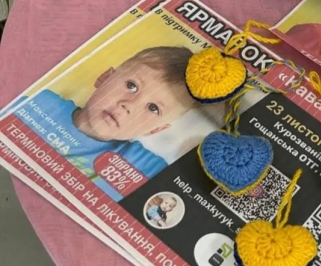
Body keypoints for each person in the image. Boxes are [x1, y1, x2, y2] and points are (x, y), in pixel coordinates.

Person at [17, 46, 196, 190]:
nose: (128, 105)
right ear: (104, 78)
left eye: (153, 108)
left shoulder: (147, 166)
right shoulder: (37, 101)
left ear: (155, 129)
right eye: (131, 86)